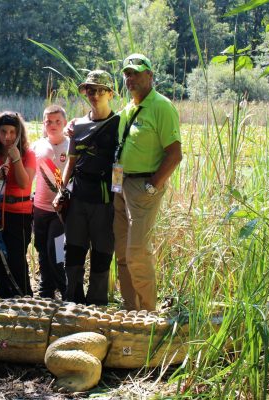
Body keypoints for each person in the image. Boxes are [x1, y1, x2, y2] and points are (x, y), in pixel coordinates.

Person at [114, 53, 182, 311]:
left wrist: (153, 185)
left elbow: (175, 154)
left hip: (142, 187)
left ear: (150, 75)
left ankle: (147, 312)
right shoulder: (128, 109)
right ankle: (130, 309)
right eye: (127, 73)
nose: (130, 78)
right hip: (120, 185)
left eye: (136, 72)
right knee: (122, 253)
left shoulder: (161, 106)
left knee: (137, 253)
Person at [53, 70, 119, 306]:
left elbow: (122, 163)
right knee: (73, 250)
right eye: (91, 90)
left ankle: (98, 304)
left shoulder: (119, 124)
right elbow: (71, 162)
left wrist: (119, 199)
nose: (95, 95)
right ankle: (72, 301)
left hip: (105, 198)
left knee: (102, 252)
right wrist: (61, 192)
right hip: (78, 195)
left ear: (110, 94)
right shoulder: (78, 125)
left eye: (101, 90)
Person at [0, 111, 36, 298]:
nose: (7, 137)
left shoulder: (28, 155)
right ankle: (3, 297)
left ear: (19, 133)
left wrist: (17, 159)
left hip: (18, 214)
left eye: (12, 132)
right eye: (3, 131)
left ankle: (25, 298)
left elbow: (24, 184)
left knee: (16, 260)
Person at [32, 105, 69, 299]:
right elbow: (30, 174)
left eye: (57, 121)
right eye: (49, 122)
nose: (53, 125)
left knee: (56, 252)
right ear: (43, 123)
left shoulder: (71, 146)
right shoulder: (37, 146)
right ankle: (46, 290)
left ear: (64, 123)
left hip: (60, 210)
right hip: (39, 207)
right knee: (41, 249)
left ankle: (65, 290)